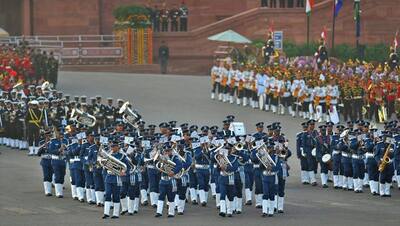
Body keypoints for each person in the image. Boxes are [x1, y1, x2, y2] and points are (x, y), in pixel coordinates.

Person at [155, 142, 183, 218]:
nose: (167, 152)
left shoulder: (175, 158)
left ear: (171, 150)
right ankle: (159, 212)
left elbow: (180, 165)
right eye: (166, 151)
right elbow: (158, 169)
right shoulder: (163, 158)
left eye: (169, 150)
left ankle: (171, 213)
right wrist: (162, 164)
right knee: (161, 195)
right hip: (163, 180)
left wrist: (173, 172)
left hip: (171, 180)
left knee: (171, 197)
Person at [103, 141, 129, 219]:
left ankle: (115, 214)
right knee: (107, 194)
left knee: (116, 195)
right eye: (112, 146)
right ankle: (106, 213)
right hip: (109, 176)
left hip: (117, 177)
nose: (113, 148)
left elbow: (127, 166)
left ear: (118, 147)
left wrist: (123, 172)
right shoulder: (108, 155)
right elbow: (105, 166)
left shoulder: (122, 156)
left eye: (114, 146)